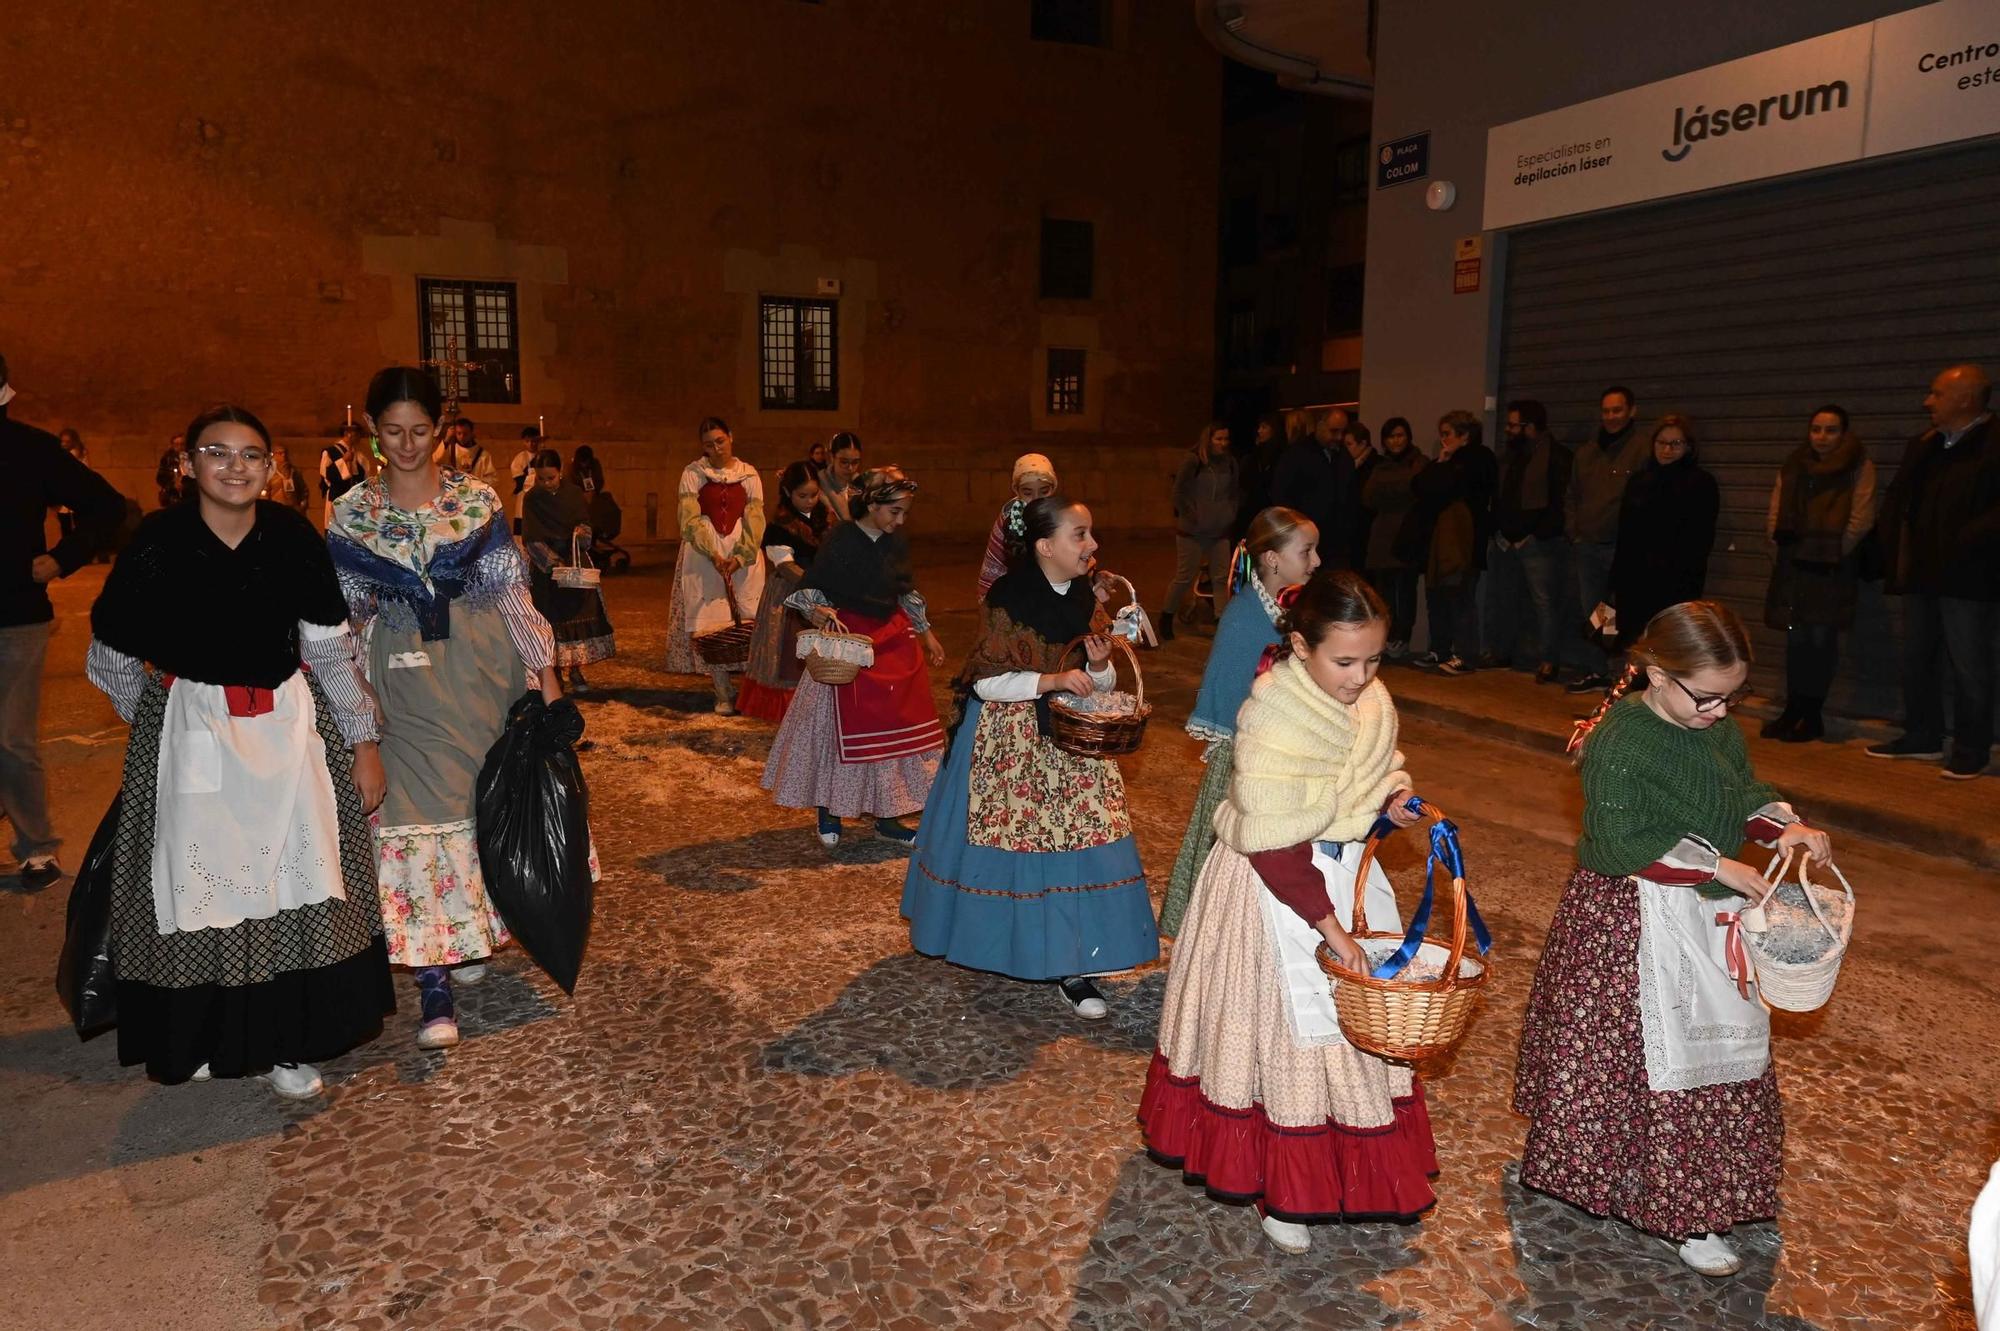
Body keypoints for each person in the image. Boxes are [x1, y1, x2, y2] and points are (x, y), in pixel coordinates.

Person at [82, 403, 396, 1098]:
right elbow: (108, 656)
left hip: (283, 732)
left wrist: (362, 741)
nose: (235, 467)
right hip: (193, 735)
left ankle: (286, 1043)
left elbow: (328, 648)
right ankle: (201, 1038)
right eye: (217, 452)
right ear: (187, 463)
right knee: (200, 886)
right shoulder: (159, 542)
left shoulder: (291, 538)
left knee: (291, 884)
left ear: (271, 466)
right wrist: (163, 720)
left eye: (251, 454)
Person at [1515, 600, 1832, 1277]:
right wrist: (1721, 865)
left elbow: (1738, 793)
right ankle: (1679, 1209)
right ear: (1655, 673)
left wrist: (1784, 827)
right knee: (1647, 1055)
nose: (1721, 712)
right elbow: (1619, 839)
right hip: (1635, 913)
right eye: (1707, 697)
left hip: (1708, 912)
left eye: (1732, 697)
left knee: (1727, 1047)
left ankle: (1712, 1193)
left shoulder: (1717, 729)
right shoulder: (1620, 742)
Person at [1140, 569, 1432, 1253]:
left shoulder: (1370, 697)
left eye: (1373, 659)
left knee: (1353, 1028)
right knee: (1288, 1031)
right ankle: (1284, 1187)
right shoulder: (1273, 712)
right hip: (1275, 888)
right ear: (1301, 645)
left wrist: (1394, 799)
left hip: (1345, 869)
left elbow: (1378, 764)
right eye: (1345, 660)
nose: (1361, 675)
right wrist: (1328, 925)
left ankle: (1352, 1166)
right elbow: (1273, 844)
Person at [329, 366, 566, 1050]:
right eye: (393, 432)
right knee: (412, 816)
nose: (407, 446)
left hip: (482, 669)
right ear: (373, 432)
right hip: (398, 675)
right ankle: (432, 978)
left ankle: (463, 939)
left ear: (441, 429)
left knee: (474, 808)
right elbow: (340, 620)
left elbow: (512, 596)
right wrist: (355, 708)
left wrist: (546, 678)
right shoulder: (352, 513)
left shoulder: (477, 501)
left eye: (421, 431)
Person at [902, 494, 1157, 1020]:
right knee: (1017, 851)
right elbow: (987, 680)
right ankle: (1011, 948)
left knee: (1078, 850)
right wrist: (1051, 679)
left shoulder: (1087, 597)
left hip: (1072, 741)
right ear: (1045, 546)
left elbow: (1099, 684)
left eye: (1090, 533)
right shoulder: (1008, 598)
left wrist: (1100, 665)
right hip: (1011, 742)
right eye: (1080, 534)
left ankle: (1072, 964)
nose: (1092, 544)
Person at [1158, 506, 1320, 938]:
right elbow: (1231, 688)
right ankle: (1217, 940)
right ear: (1271, 559)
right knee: (1232, 854)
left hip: (1289, 760)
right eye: (1306, 552)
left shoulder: (1297, 611)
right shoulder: (1244, 619)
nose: (1316, 561)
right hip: (1246, 762)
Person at [763, 467, 945, 847]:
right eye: (894, 511)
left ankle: (889, 814)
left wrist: (925, 631)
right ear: (872, 504)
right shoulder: (843, 539)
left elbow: (904, 589)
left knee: (895, 726)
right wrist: (816, 611)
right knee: (839, 729)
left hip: (893, 638)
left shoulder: (896, 543)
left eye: (905, 512)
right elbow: (815, 584)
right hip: (849, 641)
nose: (901, 520)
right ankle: (830, 808)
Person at [0, 353, 126, 889]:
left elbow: (105, 504)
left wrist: (64, 556)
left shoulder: (29, 449)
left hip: (14, 615)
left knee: (10, 738)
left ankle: (36, 848)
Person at [1868, 363, 1999, 780]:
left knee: (1969, 663)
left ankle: (1971, 747)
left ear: (1965, 398)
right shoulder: (1925, 444)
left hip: (1969, 576)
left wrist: (1965, 540)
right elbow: (1902, 502)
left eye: (1937, 393)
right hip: (1922, 572)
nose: (1928, 401)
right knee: (1917, 657)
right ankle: (1922, 735)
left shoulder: (1995, 443)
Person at [1762, 405, 1876, 742]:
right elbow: (1776, 508)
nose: (1822, 437)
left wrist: (1833, 553)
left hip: (1830, 568)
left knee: (1821, 641)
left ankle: (1812, 714)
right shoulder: (1795, 463)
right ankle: (1793, 709)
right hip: (1794, 565)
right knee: (1796, 638)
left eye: (1831, 430)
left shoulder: (1859, 465)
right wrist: (1778, 546)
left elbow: (1861, 517)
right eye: (1816, 429)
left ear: (1844, 433)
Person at [665, 417, 766, 715]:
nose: (716, 448)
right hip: (704, 552)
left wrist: (743, 554)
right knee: (711, 621)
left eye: (720, 440)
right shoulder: (693, 473)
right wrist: (712, 552)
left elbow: (756, 516)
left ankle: (750, 691)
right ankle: (722, 691)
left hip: (741, 548)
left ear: (731, 437)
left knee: (747, 620)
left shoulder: (749, 474)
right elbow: (689, 518)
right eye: (708, 444)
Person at [1565, 386, 1653, 693]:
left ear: (1632, 411)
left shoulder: (1643, 448)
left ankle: (1622, 674)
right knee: (1596, 612)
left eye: (1617, 410)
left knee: (1621, 611)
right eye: (1606, 411)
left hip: (1622, 548)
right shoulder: (1587, 452)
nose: (1611, 417)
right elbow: (1572, 495)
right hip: (1588, 545)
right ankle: (1596, 669)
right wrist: (1575, 531)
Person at [1608, 416, 1719, 652]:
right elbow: (1626, 531)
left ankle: (1660, 686)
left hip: (1674, 581)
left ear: (1688, 446)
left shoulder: (1700, 483)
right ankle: (1628, 683)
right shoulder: (1639, 480)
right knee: (1632, 638)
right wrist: (1616, 577)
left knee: (1666, 642)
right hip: (1634, 577)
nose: (1667, 449)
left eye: (1675, 443)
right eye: (1662, 442)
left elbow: (1701, 539)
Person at [737, 461, 829, 723]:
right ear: (788, 493)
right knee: (789, 652)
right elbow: (785, 565)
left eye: (814, 494)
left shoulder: (826, 518)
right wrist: (814, 582)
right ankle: (792, 709)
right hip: (791, 593)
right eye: (803, 496)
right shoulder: (781, 525)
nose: (810, 501)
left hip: (823, 590)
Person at [1488, 399, 1572, 683]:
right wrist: (1500, 530)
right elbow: (1500, 497)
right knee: (1505, 599)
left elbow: (1560, 503)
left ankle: (1549, 659)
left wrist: (1532, 534)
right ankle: (1503, 652)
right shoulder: (1509, 457)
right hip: (1506, 540)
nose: (1509, 430)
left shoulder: (1556, 456)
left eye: (1514, 425)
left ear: (1531, 427)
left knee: (1544, 603)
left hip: (1539, 543)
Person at [1410, 410, 1498, 675]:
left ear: (1465, 435)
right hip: (1439, 541)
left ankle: (1465, 654)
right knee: (1436, 595)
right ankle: (1440, 648)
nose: (1443, 439)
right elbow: (1420, 487)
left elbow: (1450, 489)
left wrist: (1445, 467)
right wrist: (1440, 462)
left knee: (1461, 597)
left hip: (1464, 541)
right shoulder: (1446, 460)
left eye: (1448, 434)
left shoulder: (1479, 459)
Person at [522, 448, 616, 693]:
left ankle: (575, 669)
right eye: (541, 478)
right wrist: (554, 564)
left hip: (574, 562)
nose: (546, 483)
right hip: (547, 568)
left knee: (576, 615)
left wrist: (581, 533)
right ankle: (554, 673)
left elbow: (584, 522)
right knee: (551, 620)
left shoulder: (573, 493)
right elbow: (531, 538)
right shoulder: (532, 498)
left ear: (560, 472)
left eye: (550, 478)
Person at [1159, 423, 1241, 641]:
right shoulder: (1194, 460)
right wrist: (1191, 514)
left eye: (1226, 439)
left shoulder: (1230, 463)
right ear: (1209, 439)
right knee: (1184, 577)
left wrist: (1229, 513)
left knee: (1221, 577)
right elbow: (1178, 491)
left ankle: (1221, 621)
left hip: (1219, 530)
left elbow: (1234, 492)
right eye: (1218, 439)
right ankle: (1166, 617)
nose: (1223, 444)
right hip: (1193, 531)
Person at [1362, 416, 1426, 657]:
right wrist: (1400, 486)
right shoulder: (1380, 466)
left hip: (1408, 536)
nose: (1396, 441)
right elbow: (1368, 497)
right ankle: (1387, 637)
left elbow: (1416, 489)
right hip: (1382, 538)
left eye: (1400, 435)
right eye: (1391, 436)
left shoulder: (1418, 462)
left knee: (1405, 590)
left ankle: (1402, 637)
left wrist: (1391, 487)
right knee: (1384, 592)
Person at [1269, 407, 1355, 569]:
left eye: (1342, 432)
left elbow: (1350, 497)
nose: (1339, 437)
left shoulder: (1343, 457)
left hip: (1337, 543)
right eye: (1334, 431)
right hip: (1304, 540)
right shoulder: (1296, 455)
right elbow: (1281, 496)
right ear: (1320, 426)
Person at [977, 453, 1058, 601]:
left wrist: (1095, 575)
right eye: (1027, 492)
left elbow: (1075, 557)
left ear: (1053, 489)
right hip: (1014, 596)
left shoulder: (1061, 515)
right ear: (1017, 491)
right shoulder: (1012, 519)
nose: (1036, 499)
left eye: (1044, 491)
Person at [1341, 421, 1376, 571]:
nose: (1345, 449)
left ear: (1362, 444)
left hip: (1366, 531)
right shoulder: (1347, 466)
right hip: (1353, 531)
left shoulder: (1374, 466)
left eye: (1349, 444)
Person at [321, 425, 370, 527]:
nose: (360, 438)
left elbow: (365, 478)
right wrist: (343, 460)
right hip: (337, 497)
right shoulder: (330, 452)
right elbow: (326, 474)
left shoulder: (359, 456)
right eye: (358, 435)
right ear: (349, 434)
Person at [433, 415, 497, 485]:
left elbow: (493, 478)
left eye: (465, 434)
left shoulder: (483, 455)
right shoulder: (451, 450)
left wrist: (477, 483)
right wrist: (446, 439)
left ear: (472, 433)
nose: (462, 437)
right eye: (459, 433)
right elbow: (435, 461)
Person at [820, 431, 865, 524]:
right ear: (832, 457)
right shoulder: (820, 484)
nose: (850, 468)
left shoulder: (861, 485)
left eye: (855, 462)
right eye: (844, 462)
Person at [262, 443, 311, 515]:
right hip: (276, 508)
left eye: (284, 453)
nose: (283, 455)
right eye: (280, 453)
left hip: (293, 508)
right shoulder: (270, 473)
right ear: (274, 455)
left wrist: (303, 502)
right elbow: (265, 492)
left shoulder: (293, 471)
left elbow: (303, 489)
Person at [509, 427, 541, 535]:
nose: (531, 444)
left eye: (534, 441)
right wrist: (535, 478)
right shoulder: (520, 458)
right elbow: (519, 480)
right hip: (524, 496)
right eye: (528, 441)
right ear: (524, 442)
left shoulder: (543, 456)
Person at [156, 433, 187, 509]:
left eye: (182, 444)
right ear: (172, 445)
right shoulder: (167, 459)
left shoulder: (191, 459)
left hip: (188, 495)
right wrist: (173, 485)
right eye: (177, 444)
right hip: (172, 496)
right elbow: (160, 478)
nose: (179, 447)